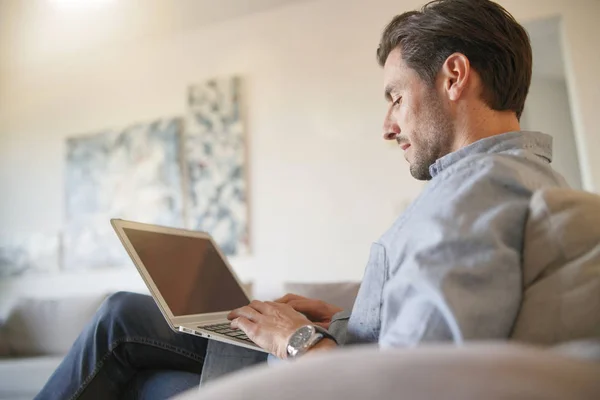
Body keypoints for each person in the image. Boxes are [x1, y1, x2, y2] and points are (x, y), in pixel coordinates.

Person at [36, 0, 570, 398]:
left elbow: (416, 380)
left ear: (453, 76)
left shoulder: (479, 191)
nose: (388, 127)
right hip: (329, 358)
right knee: (125, 314)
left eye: (396, 97)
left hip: (313, 378)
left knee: (123, 348)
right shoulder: (498, 181)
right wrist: (344, 316)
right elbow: (429, 322)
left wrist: (295, 341)